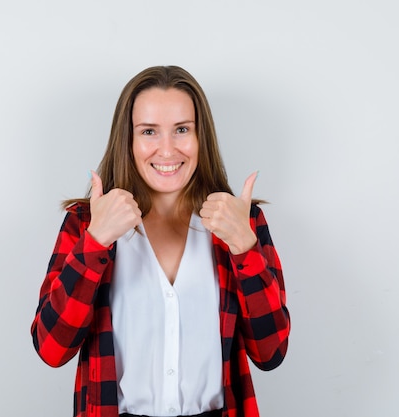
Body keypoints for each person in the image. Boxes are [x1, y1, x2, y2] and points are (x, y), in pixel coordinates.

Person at [31, 65, 290, 417]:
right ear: (129, 140)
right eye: (149, 131)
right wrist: (96, 242)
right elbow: (51, 349)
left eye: (182, 129)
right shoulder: (86, 224)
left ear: (202, 138)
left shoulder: (240, 223)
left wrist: (245, 250)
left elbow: (270, 353)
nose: (167, 150)